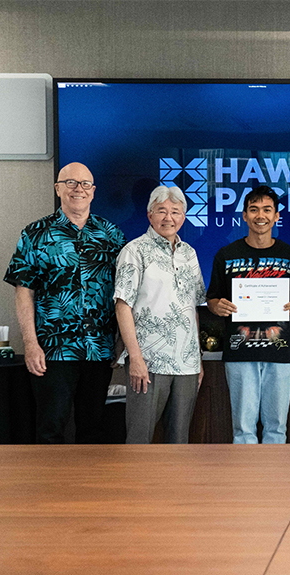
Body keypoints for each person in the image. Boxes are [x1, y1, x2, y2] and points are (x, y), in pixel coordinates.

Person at [4, 162, 125, 444]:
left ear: (93, 192)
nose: (78, 189)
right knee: (50, 429)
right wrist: (30, 344)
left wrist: (121, 344)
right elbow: (24, 291)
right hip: (52, 350)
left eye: (84, 184)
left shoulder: (112, 235)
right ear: (58, 188)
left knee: (93, 430)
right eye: (70, 182)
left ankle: (87, 488)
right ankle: (49, 489)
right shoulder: (36, 233)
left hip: (99, 350)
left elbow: (124, 293)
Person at [206, 186, 290, 444]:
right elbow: (212, 298)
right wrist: (216, 306)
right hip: (240, 351)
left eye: (267, 209)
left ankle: (273, 483)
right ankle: (245, 483)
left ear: (277, 216)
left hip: (280, 350)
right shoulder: (226, 255)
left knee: (277, 428)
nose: (260, 215)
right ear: (244, 216)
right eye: (253, 209)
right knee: (243, 429)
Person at [114, 185, 206, 444]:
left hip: (186, 364)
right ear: (149, 215)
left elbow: (193, 308)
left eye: (175, 212)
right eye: (161, 211)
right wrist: (135, 358)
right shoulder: (134, 251)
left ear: (183, 217)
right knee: (140, 439)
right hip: (148, 363)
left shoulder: (190, 254)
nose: (169, 218)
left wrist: (196, 358)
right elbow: (123, 306)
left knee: (179, 442)